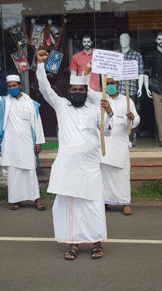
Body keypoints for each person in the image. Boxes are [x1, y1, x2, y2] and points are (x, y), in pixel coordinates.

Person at [36, 49, 113, 260]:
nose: (77, 92)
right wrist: (41, 65)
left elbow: (106, 131)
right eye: (74, 89)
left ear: (86, 91)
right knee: (70, 207)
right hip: (68, 166)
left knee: (93, 205)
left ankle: (97, 243)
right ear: (69, 91)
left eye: (81, 89)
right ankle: (73, 244)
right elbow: (44, 88)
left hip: (90, 166)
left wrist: (109, 113)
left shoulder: (94, 108)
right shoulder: (62, 106)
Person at [0, 68, 46, 211]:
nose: (12, 88)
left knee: (30, 171)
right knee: (14, 174)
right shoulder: (4, 102)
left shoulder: (31, 103)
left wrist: (38, 142)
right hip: (11, 144)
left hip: (27, 144)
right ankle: (15, 200)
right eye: (10, 86)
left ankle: (36, 199)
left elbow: (38, 122)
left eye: (14, 86)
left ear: (20, 86)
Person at [86, 71, 140, 215]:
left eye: (112, 83)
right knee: (103, 174)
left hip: (120, 143)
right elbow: (87, 89)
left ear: (118, 84)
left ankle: (125, 202)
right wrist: (86, 73)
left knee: (121, 175)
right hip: (104, 142)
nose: (110, 86)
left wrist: (132, 118)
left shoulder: (126, 100)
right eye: (107, 83)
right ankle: (104, 202)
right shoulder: (100, 97)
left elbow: (137, 120)